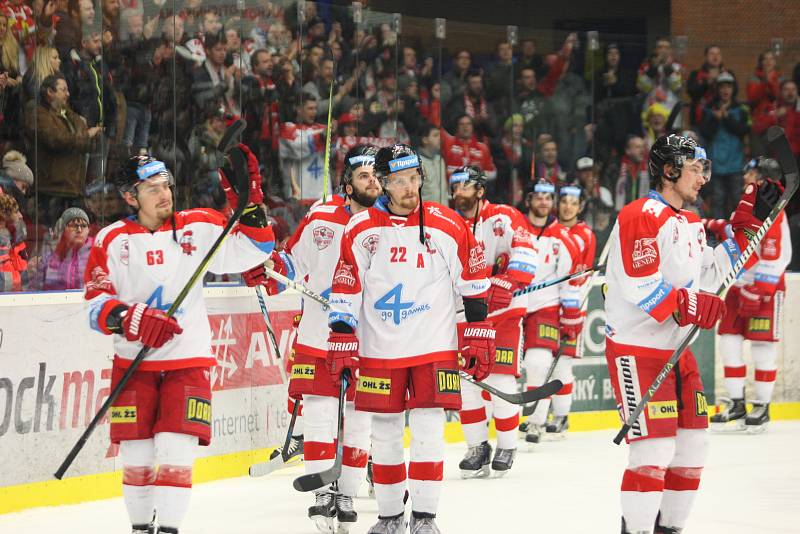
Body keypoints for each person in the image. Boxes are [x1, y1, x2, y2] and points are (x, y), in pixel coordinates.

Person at [83, 150, 275, 534]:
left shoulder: (197, 226)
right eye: (152, 188)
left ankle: (168, 529)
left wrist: (251, 203)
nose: (164, 195)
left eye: (166, 185)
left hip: (188, 361)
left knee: (175, 450)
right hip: (133, 365)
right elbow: (94, 304)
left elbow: (256, 250)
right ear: (130, 197)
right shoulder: (111, 240)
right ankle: (140, 527)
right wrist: (129, 318)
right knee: (136, 456)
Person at [604, 134, 779, 533]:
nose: (703, 178)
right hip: (637, 350)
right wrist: (694, 306)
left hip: (676, 352)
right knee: (653, 453)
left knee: (694, 447)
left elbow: (712, 276)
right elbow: (642, 287)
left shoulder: (690, 221)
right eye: (696, 169)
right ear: (669, 170)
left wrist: (745, 231)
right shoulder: (640, 214)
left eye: (705, 169)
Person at [327, 144, 493, 534]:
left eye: (414, 179)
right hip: (379, 349)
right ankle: (388, 516)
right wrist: (341, 337)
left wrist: (478, 336)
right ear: (383, 183)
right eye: (399, 181)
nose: (409, 189)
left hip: (433, 348)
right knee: (384, 434)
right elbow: (347, 284)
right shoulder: (361, 228)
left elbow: (471, 282)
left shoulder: (447, 224)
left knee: (429, 430)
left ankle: (425, 517)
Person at [242, 146, 381, 533]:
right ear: (347, 182)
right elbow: (291, 262)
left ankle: (348, 492)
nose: (371, 181)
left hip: (367, 337)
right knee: (319, 413)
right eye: (364, 175)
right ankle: (323, 492)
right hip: (319, 332)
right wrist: (267, 271)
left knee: (359, 417)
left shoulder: (388, 223)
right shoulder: (321, 216)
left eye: (375, 175)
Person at [449, 166, 537, 478]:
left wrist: (509, 282)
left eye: (465, 186)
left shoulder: (505, 216)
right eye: (454, 186)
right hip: (466, 315)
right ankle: (477, 447)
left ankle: (507, 445)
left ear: (481, 190)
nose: (458, 191)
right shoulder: (451, 223)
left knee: (500, 379)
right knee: (467, 383)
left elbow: (527, 254)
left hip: (505, 314)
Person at [711, 157, 791, 432]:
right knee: (729, 343)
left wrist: (760, 290)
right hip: (737, 285)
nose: (746, 178)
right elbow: (737, 232)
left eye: (752, 174)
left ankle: (763, 405)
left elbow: (775, 256)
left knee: (762, 348)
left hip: (764, 291)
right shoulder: (748, 206)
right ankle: (736, 404)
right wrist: (712, 224)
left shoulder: (774, 213)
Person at [518, 179, 581, 444]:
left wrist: (571, 318)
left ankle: (536, 421)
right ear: (529, 199)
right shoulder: (515, 227)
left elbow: (570, 282)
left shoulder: (564, 237)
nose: (544, 202)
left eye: (548, 197)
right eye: (539, 197)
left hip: (546, 307)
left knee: (538, 363)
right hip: (514, 306)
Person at [549, 183, 596, 434]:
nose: (568, 206)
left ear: (580, 207)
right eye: (564, 201)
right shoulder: (549, 229)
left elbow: (582, 277)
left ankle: (562, 415)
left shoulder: (585, 234)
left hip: (572, 305)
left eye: (573, 203)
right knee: (543, 359)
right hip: (546, 305)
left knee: (563, 361)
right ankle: (546, 408)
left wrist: (573, 306)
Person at [699, 71, 751, 220]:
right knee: (717, 201)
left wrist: (727, 118)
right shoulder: (709, 109)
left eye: (728, 86)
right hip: (715, 165)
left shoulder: (741, 109)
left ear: (733, 88)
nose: (725, 90)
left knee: (737, 201)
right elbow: (705, 133)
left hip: (735, 164)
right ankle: (717, 236)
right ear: (717, 89)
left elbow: (744, 130)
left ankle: (738, 236)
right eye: (722, 86)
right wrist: (715, 120)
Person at [37, 207, 92, 290]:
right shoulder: (50, 253)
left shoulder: (95, 252)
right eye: (74, 226)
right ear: (63, 229)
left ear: (88, 230)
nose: (79, 230)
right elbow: (36, 286)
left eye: (84, 226)